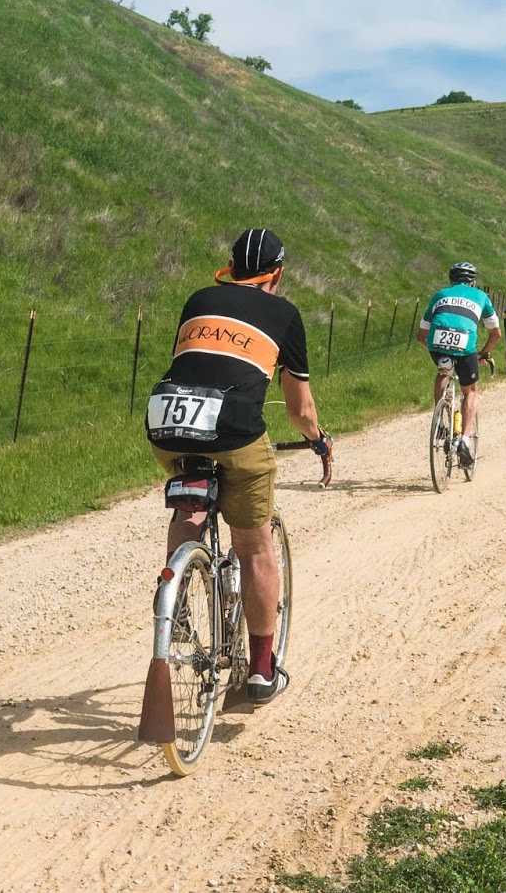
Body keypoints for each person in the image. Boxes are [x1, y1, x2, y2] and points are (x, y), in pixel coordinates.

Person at [145, 228, 332, 706]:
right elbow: (300, 410)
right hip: (231, 428)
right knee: (253, 547)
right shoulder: (285, 314)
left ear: (230, 267)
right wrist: (319, 442)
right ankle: (263, 671)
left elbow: (199, 366)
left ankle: (178, 597)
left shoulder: (199, 299)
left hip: (167, 419)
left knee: (190, 505)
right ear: (278, 274)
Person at [418, 262, 502, 467]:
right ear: (473, 282)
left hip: (437, 343)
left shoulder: (440, 294)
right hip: (465, 345)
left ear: (451, 280)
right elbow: (496, 333)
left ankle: (440, 419)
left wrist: (437, 350)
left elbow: (421, 336)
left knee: (443, 373)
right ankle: (464, 440)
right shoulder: (481, 296)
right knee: (471, 391)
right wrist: (483, 353)